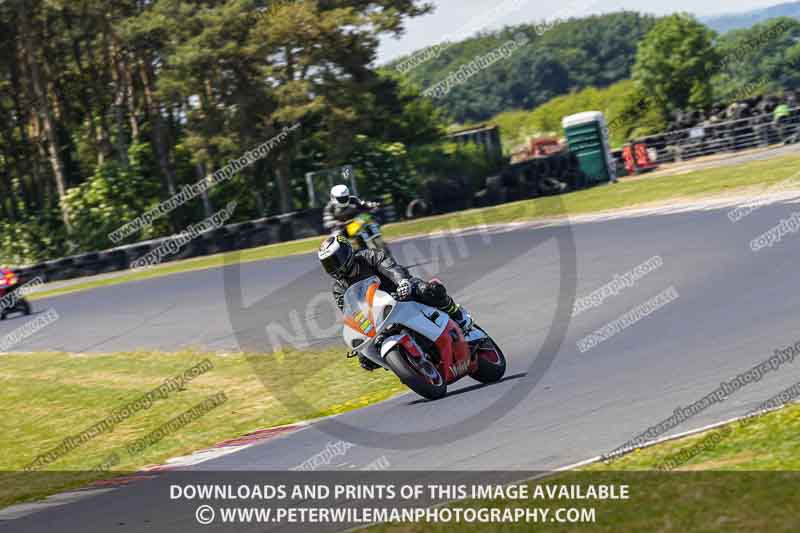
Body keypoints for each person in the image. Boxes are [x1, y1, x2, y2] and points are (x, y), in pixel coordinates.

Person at [318, 235, 473, 371]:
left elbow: (391, 269)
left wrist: (402, 282)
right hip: (378, 315)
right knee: (365, 359)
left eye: (336, 260)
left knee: (428, 290)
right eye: (328, 264)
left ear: (347, 252)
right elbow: (352, 313)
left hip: (400, 292)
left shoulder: (369, 256)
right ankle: (408, 365)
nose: (334, 266)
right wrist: (360, 337)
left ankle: (457, 315)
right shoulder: (339, 288)